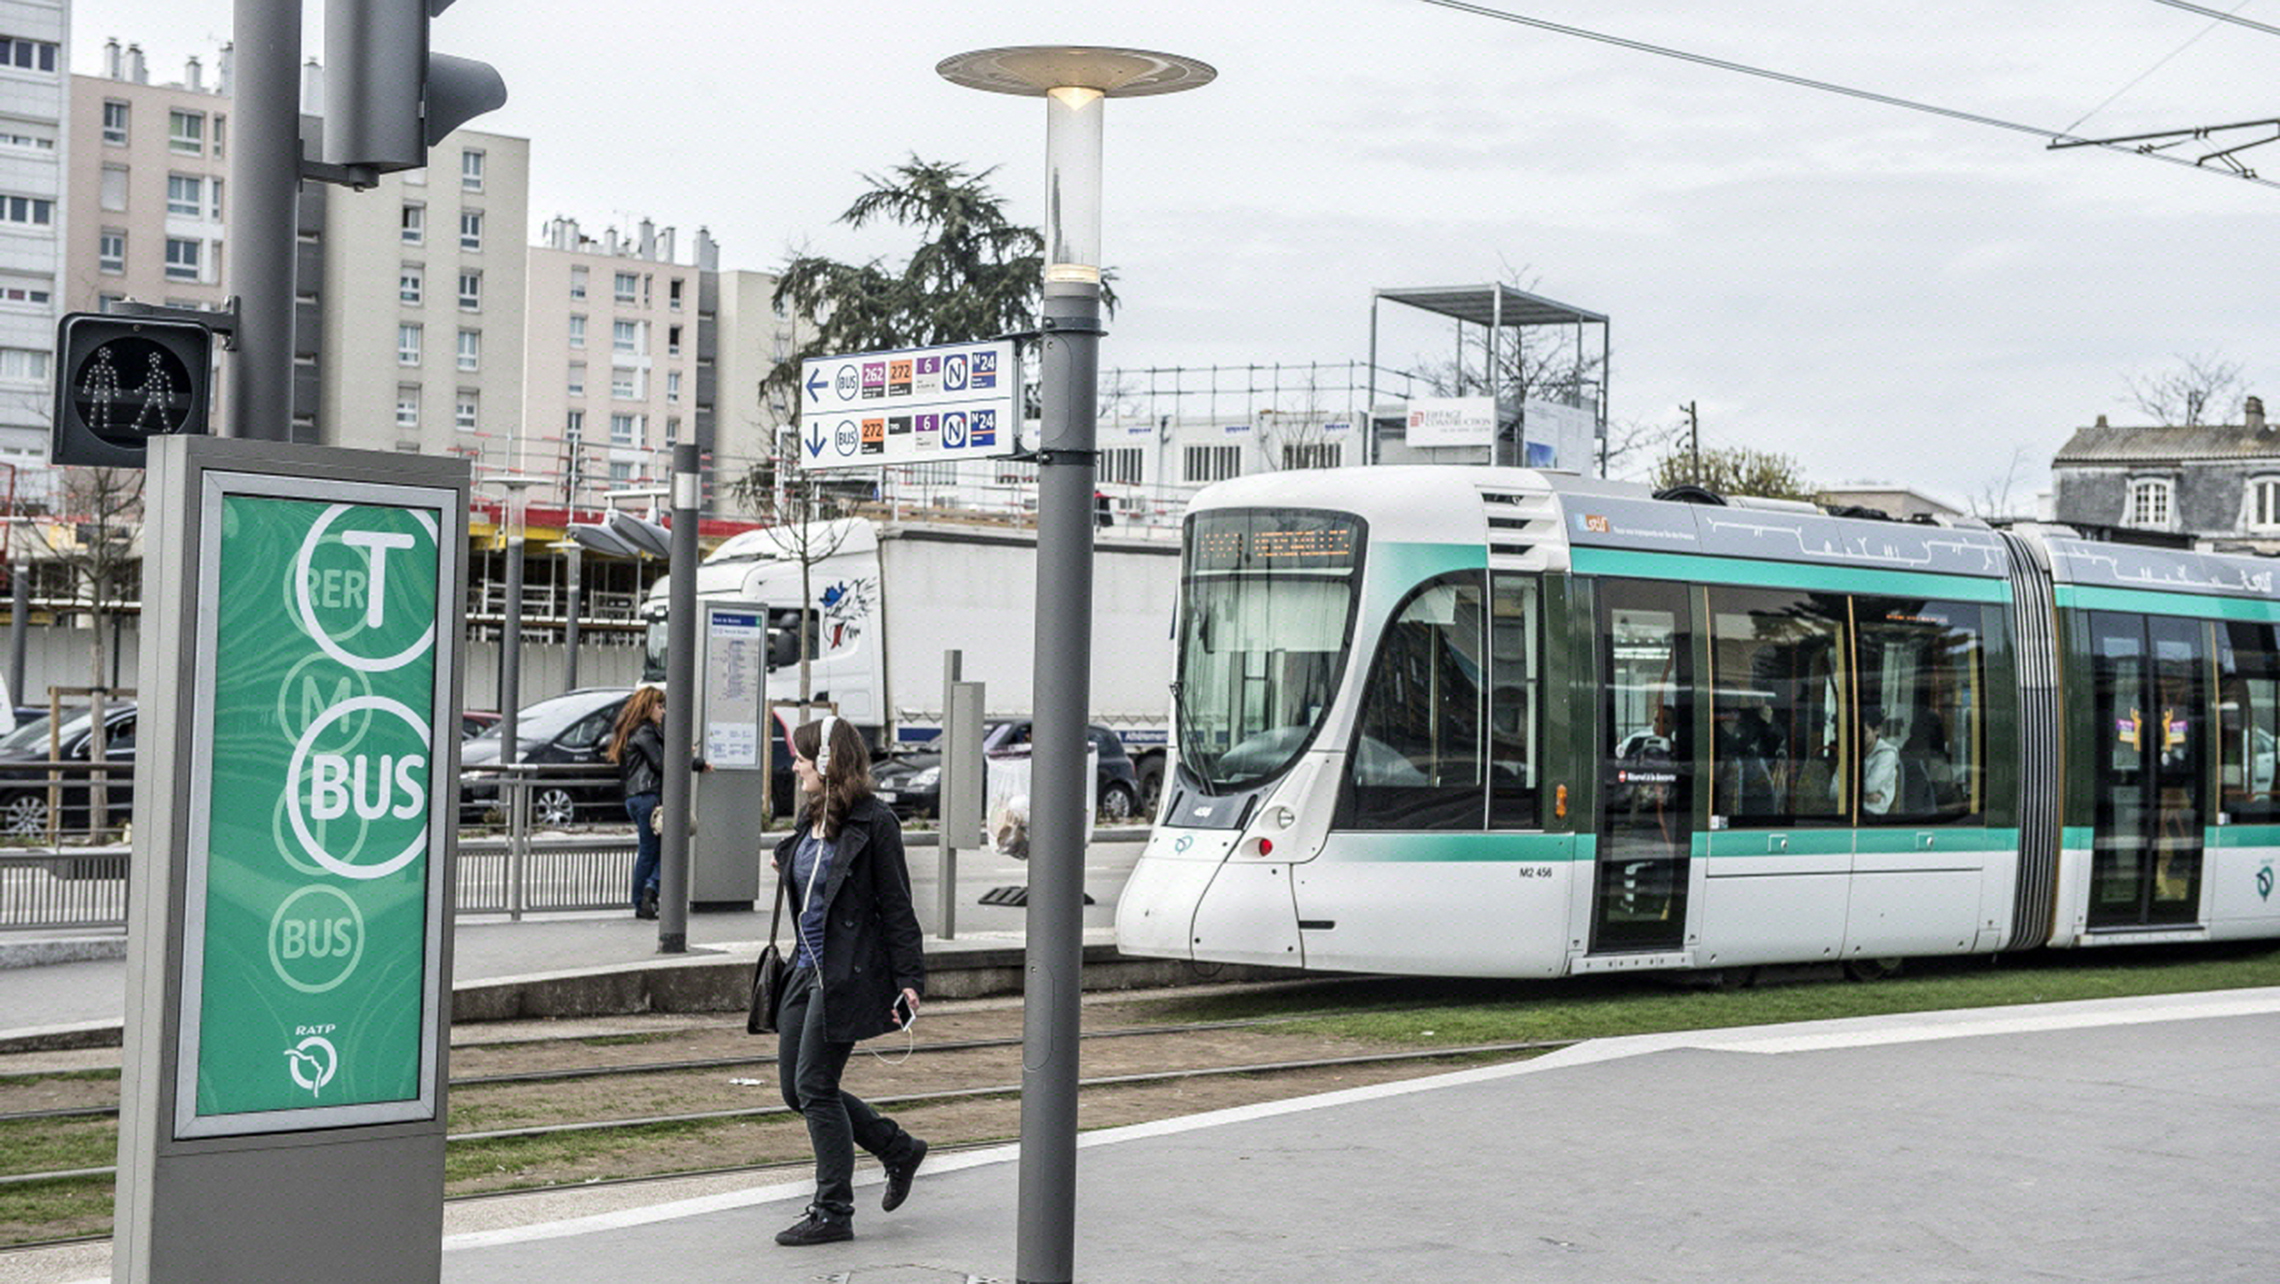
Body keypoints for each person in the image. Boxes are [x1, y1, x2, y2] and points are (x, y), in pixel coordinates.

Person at [772, 715, 929, 1248]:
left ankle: (833, 1209)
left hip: (844, 972)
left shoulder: (875, 823)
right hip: (802, 968)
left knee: (816, 1086)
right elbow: (806, 877)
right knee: (797, 1090)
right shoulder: (811, 817)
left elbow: (898, 908)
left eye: (802, 757)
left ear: (827, 762)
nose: (794, 766)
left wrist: (910, 981)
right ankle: (897, 1148)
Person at [603, 687, 707, 919]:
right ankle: (643, 898)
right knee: (655, 850)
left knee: (658, 849)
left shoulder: (640, 732)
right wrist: (688, 758)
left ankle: (648, 895)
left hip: (639, 797)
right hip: (646, 798)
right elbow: (661, 763)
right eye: (659, 706)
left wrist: (689, 758)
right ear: (647, 708)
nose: (663, 711)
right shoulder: (645, 732)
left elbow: (663, 757)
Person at [1860, 707, 1900, 816]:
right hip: (1848, 811)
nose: (1858, 737)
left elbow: (1870, 786)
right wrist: (1864, 797)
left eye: (1863, 733)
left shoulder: (1887, 755)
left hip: (1873, 814)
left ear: (1877, 730)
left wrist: (1847, 794)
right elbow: (1833, 791)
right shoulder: (1851, 752)